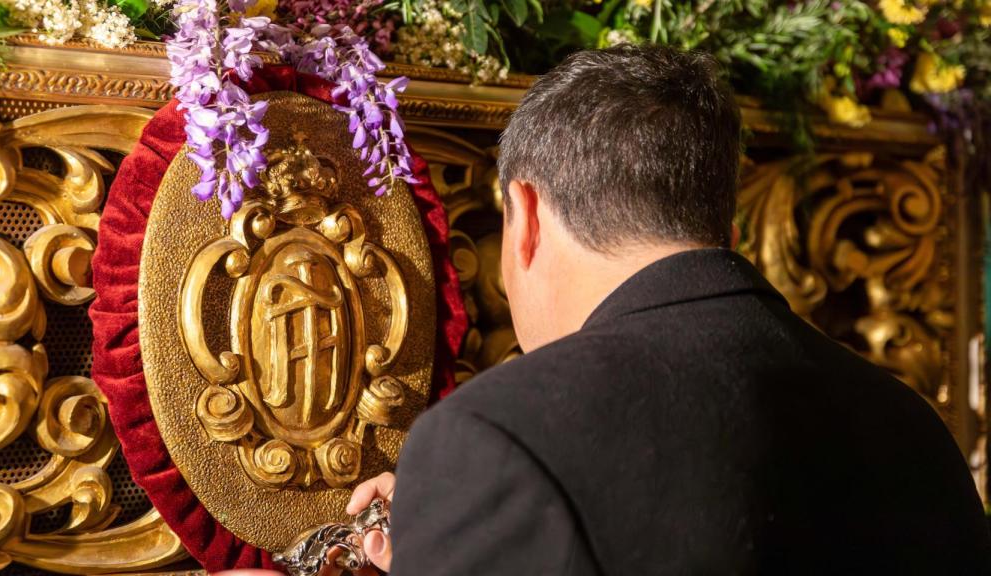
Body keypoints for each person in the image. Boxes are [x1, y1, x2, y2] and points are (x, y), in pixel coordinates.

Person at [225, 44, 991, 575]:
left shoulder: (495, 439)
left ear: (522, 214)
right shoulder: (912, 426)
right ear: (718, 215)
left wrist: (475, 488)